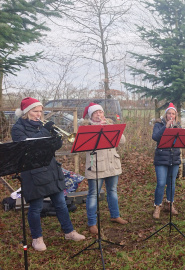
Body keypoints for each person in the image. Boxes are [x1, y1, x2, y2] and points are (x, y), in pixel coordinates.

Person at [11, 97, 85, 251]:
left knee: (61, 203)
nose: (38, 114)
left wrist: (57, 137)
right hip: (33, 171)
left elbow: (54, 147)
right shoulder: (18, 128)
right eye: (35, 111)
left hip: (50, 168)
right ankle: (37, 238)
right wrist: (46, 131)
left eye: (40, 111)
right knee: (36, 207)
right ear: (26, 112)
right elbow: (27, 147)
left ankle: (69, 231)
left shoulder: (42, 125)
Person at [81, 102, 127, 235]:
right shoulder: (86, 127)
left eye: (100, 112)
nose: (99, 115)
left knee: (112, 190)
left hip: (112, 163)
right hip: (96, 165)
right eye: (96, 113)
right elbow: (83, 146)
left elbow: (122, 141)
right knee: (93, 194)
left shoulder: (110, 124)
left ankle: (115, 215)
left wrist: (111, 128)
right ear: (91, 115)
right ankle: (92, 223)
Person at [152, 103, 182, 218]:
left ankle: (170, 204)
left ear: (175, 116)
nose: (171, 115)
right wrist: (166, 127)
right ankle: (157, 206)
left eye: (173, 114)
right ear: (166, 115)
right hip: (161, 158)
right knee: (160, 183)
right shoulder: (159, 125)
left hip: (174, 157)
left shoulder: (177, 126)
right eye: (169, 113)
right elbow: (155, 137)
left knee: (171, 183)